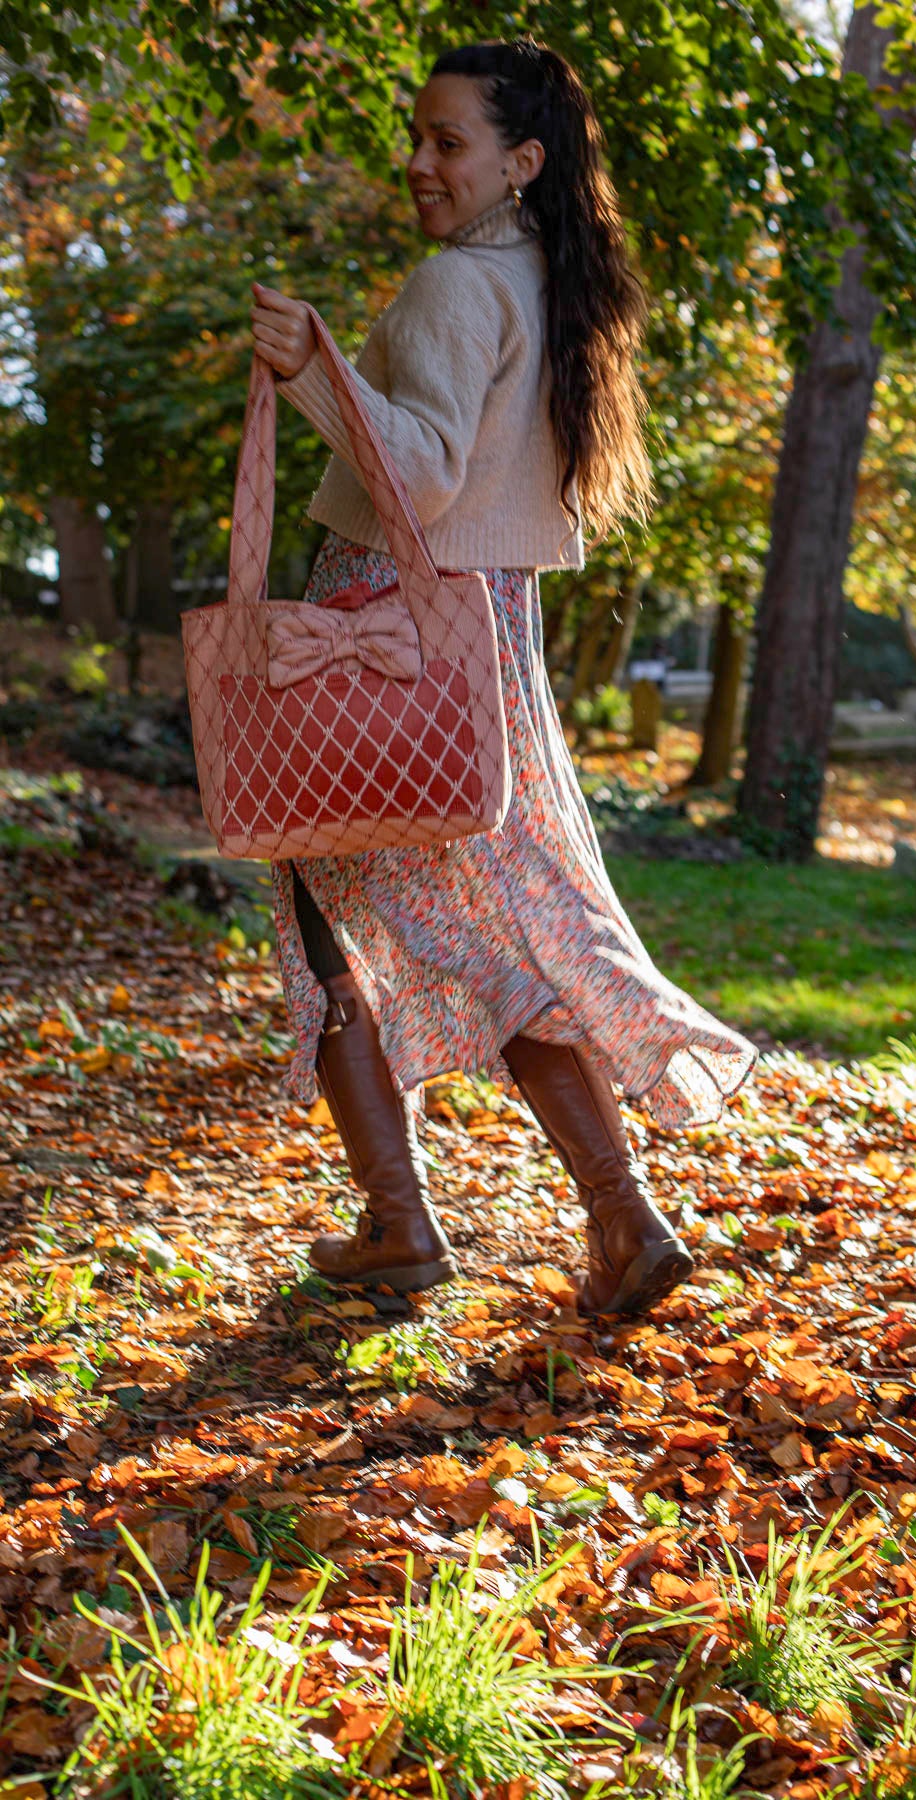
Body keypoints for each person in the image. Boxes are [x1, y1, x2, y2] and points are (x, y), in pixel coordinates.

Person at [249, 37, 756, 1318]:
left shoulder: (454, 287)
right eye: (415, 138)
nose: (420, 162)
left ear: (521, 164)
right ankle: (623, 1220)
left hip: (384, 625)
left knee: (328, 927)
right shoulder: (549, 284)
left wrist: (316, 371)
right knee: (509, 929)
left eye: (448, 142)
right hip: (488, 640)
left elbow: (414, 480)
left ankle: (402, 1225)